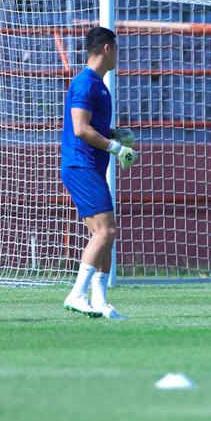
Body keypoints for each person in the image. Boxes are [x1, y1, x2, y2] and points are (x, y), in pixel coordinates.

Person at [60, 26, 138, 319]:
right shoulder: (86, 83)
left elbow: (91, 126)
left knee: (103, 235)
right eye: (116, 49)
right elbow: (80, 128)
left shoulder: (98, 84)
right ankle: (77, 294)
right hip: (82, 166)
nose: (118, 55)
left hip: (86, 166)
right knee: (107, 231)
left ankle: (100, 301)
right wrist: (116, 149)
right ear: (107, 49)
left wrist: (115, 134)